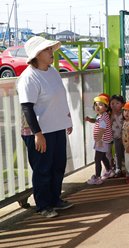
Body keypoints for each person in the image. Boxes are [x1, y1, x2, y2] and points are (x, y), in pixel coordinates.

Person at [17, 36, 73, 218]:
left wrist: (67, 118)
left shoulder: (53, 71)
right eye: (47, 50)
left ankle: (55, 198)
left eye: (51, 49)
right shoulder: (29, 77)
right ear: (36, 55)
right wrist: (38, 134)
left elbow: (60, 96)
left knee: (58, 166)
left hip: (57, 127)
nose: (51, 53)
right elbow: (27, 107)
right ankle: (43, 205)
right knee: (42, 169)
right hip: (40, 131)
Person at [84, 95, 115, 184]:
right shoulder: (101, 116)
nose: (97, 107)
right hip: (102, 141)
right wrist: (89, 120)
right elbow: (95, 121)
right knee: (103, 157)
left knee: (97, 159)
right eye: (96, 105)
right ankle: (109, 171)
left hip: (101, 141)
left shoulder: (103, 119)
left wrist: (98, 140)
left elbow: (102, 129)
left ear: (106, 107)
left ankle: (97, 177)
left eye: (101, 105)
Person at [110, 94, 125, 177]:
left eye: (117, 103)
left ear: (122, 104)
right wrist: (112, 114)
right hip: (115, 136)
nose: (114, 105)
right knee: (117, 153)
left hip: (124, 137)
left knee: (126, 153)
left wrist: (123, 137)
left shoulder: (124, 113)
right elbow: (110, 123)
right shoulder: (111, 113)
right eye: (112, 103)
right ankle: (118, 168)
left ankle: (128, 169)